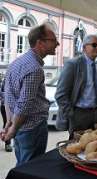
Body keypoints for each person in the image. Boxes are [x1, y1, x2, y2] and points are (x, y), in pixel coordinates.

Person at [0, 24, 59, 166]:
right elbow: (24, 104)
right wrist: (12, 129)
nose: (57, 43)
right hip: (33, 129)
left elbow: (8, 95)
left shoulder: (16, 63)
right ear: (40, 43)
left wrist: (9, 122)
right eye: (53, 40)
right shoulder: (34, 68)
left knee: (22, 164)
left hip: (21, 127)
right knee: (29, 169)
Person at [55, 34, 97, 140]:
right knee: (78, 149)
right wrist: (72, 114)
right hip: (80, 116)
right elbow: (61, 95)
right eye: (94, 45)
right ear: (84, 47)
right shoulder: (73, 64)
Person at [0, 77, 12, 152]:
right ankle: (8, 144)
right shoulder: (6, 79)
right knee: (7, 123)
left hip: (16, 106)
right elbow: (1, 92)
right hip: (5, 105)